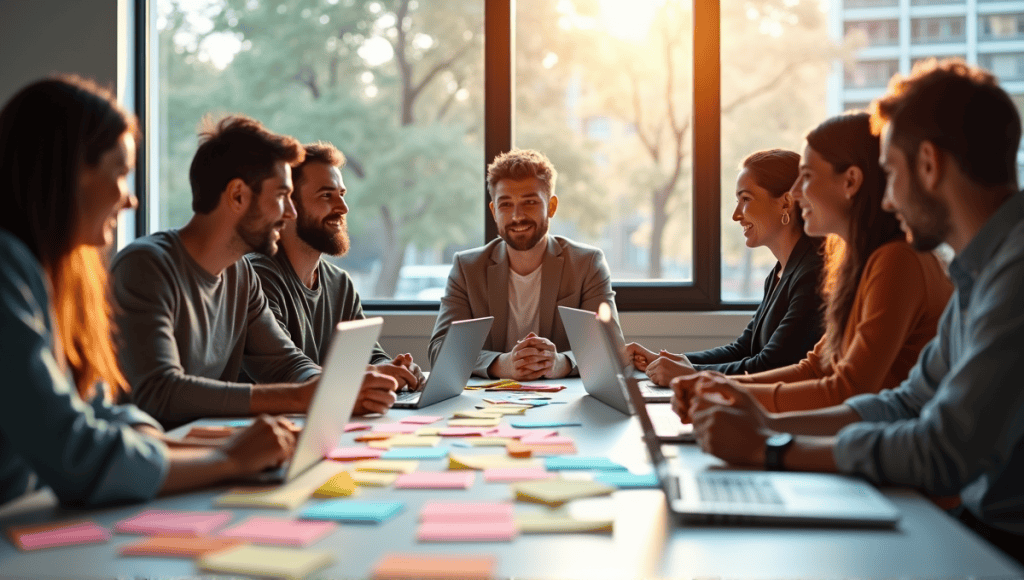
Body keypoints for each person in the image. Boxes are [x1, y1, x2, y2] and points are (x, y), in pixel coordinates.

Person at [686, 60, 1024, 564]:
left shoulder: (1011, 277)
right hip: (972, 526)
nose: (886, 197)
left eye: (889, 173)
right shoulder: (979, 271)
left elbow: (942, 450)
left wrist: (772, 449)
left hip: (999, 544)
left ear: (928, 165)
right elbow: (904, 404)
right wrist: (757, 419)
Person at [0, 76, 300, 507]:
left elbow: (97, 409)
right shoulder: (8, 268)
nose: (130, 200)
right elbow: (74, 452)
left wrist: (218, 451)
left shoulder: (58, 278)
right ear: (69, 173)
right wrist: (227, 462)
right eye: (120, 174)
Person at [111, 116, 397, 428]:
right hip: (151, 461)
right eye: (280, 196)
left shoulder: (241, 275)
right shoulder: (145, 266)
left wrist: (337, 389)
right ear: (237, 196)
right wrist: (303, 396)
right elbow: (162, 391)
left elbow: (286, 363)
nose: (290, 213)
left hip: (209, 445)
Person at [673, 112, 952, 414]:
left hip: (891, 442)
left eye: (806, 177)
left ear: (851, 181)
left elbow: (847, 389)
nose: (794, 193)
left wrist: (729, 396)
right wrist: (717, 387)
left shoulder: (898, 260)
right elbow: (814, 369)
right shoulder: (854, 260)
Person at [626, 149, 826, 385]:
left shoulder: (813, 273)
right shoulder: (780, 273)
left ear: (786, 203)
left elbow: (771, 365)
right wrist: (667, 360)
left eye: (746, 199)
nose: (735, 215)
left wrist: (690, 374)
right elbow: (742, 349)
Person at [429, 148, 621, 380]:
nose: (517, 216)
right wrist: (501, 364)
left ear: (551, 206)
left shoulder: (586, 263)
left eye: (529, 202)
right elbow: (439, 350)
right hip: (489, 403)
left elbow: (611, 347)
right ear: (494, 211)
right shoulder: (467, 268)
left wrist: (562, 363)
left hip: (565, 400)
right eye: (506, 204)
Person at [247, 141, 425, 390]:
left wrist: (395, 369)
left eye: (341, 195)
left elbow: (370, 356)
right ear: (289, 205)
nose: (343, 208)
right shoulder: (256, 277)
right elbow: (289, 370)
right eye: (326, 196)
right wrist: (375, 372)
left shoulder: (339, 283)